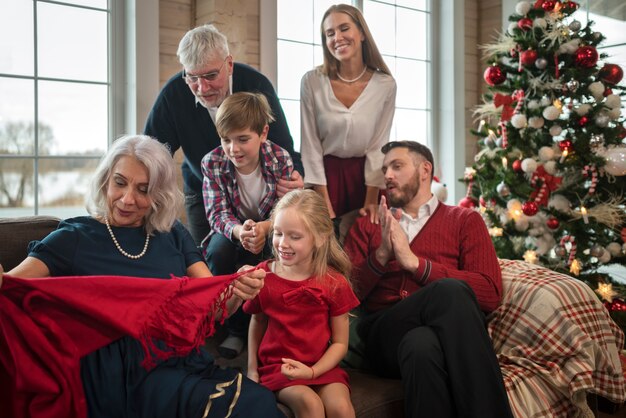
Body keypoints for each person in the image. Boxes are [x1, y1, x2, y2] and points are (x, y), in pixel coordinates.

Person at [0, 135, 285, 418]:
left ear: (158, 194)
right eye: (120, 183)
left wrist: (237, 288)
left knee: (258, 403)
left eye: (143, 189)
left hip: (179, 363)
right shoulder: (73, 236)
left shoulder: (173, 234)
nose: (127, 199)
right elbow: (11, 286)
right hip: (117, 378)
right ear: (105, 181)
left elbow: (215, 305)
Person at [343, 141, 513, 418]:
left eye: (397, 166)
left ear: (425, 170)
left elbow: (490, 292)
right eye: (385, 169)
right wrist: (382, 255)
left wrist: (417, 265)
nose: (387, 175)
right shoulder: (368, 224)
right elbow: (345, 293)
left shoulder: (465, 221)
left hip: (431, 337)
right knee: (449, 291)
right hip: (382, 334)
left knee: (421, 346)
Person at [144, 23, 303, 248]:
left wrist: (296, 175)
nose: (202, 87)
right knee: (209, 255)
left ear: (228, 65)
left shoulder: (256, 84)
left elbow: (284, 144)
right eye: (192, 77)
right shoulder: (173, 94)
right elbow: (151, 152)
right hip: (204, 190)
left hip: (264, 194)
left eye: (210, 75)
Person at [243, 189, 359, 418]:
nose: (282, 243)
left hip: (321, 365)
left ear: (321, 236)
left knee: (341, 409)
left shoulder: (334, 282)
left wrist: (313, 371)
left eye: (294, 237)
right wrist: (251, 370)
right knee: (311, 405)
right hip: (279, 368)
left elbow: (339, 344)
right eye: (277, 233)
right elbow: (257, 322)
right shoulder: (262, 276)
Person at [201, 91, 294, 358]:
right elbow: (216, 213)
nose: (234, 149)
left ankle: (271, 327)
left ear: (263, 133)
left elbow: (287, 209)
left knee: (272, 256)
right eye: (226, 140)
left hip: (271, 226)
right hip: (230, 228)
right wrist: (239, 231)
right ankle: (235, 330)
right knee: (218, 253)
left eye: (243, 139)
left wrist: (265, 228)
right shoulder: (213, 162)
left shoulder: (280, 159)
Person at [300, 4, 396, 238]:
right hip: (323, 177)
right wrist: (325, 205)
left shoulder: (386, 85)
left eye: (344, 29)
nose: (337, 38)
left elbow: (378, 146)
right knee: (324, 246)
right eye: (330, 33)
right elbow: (310, 145)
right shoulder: (312, 81)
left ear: (362, 33)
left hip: (366, 180)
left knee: (368, 245)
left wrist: (371, 201)